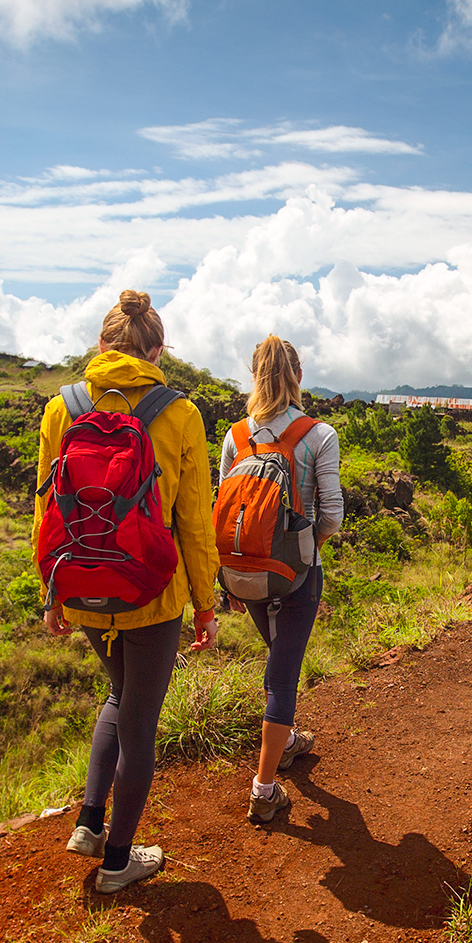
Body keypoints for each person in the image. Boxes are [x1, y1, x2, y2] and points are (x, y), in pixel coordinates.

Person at [35, 290, 220, 894]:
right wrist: (205, 605)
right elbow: (194, 520)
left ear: (101, 344)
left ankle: (89, 824)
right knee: (141, 720)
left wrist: (52, 592)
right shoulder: (180, 413)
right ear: (158, 350)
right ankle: (118, 863)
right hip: (151, 594)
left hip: (83, 586)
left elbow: (44, 509)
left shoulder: (61, 408)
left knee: (118, 694)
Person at [217, 336, 343, 824]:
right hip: (297, 573)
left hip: (243, 570)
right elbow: (329, 514)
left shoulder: (235, 436)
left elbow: (222, 509)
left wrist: (226, 575)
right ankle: (264, 788)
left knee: (276, 658)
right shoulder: (319, 434)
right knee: (284, 674)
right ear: (299, 377)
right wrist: (308, 548)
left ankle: (285, 741)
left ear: (253, 377)